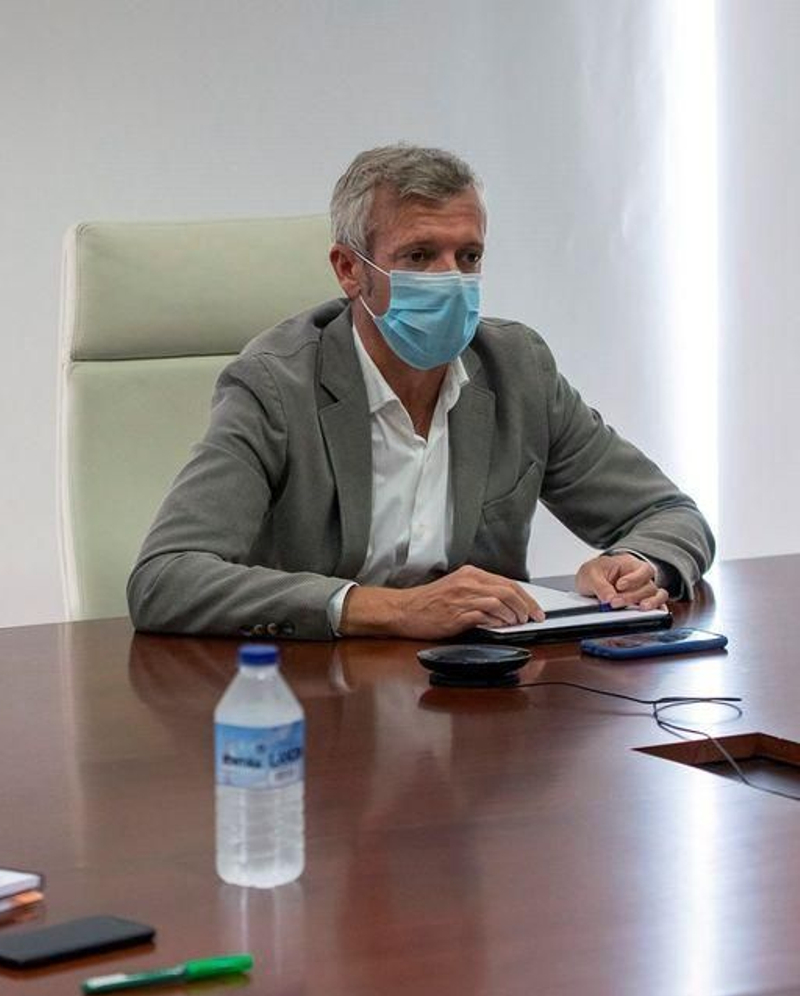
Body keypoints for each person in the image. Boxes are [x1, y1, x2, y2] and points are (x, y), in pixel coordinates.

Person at [128, 144, 714, 640]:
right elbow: (166, 578)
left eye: (469, 256)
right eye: (418, 256)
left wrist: (639, 563)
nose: (450, 279)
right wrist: (388, 609)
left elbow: (669, 514)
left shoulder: (517, 370)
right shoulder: (275, 384)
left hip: (477, 696)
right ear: (349, 269)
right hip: (316, 698)